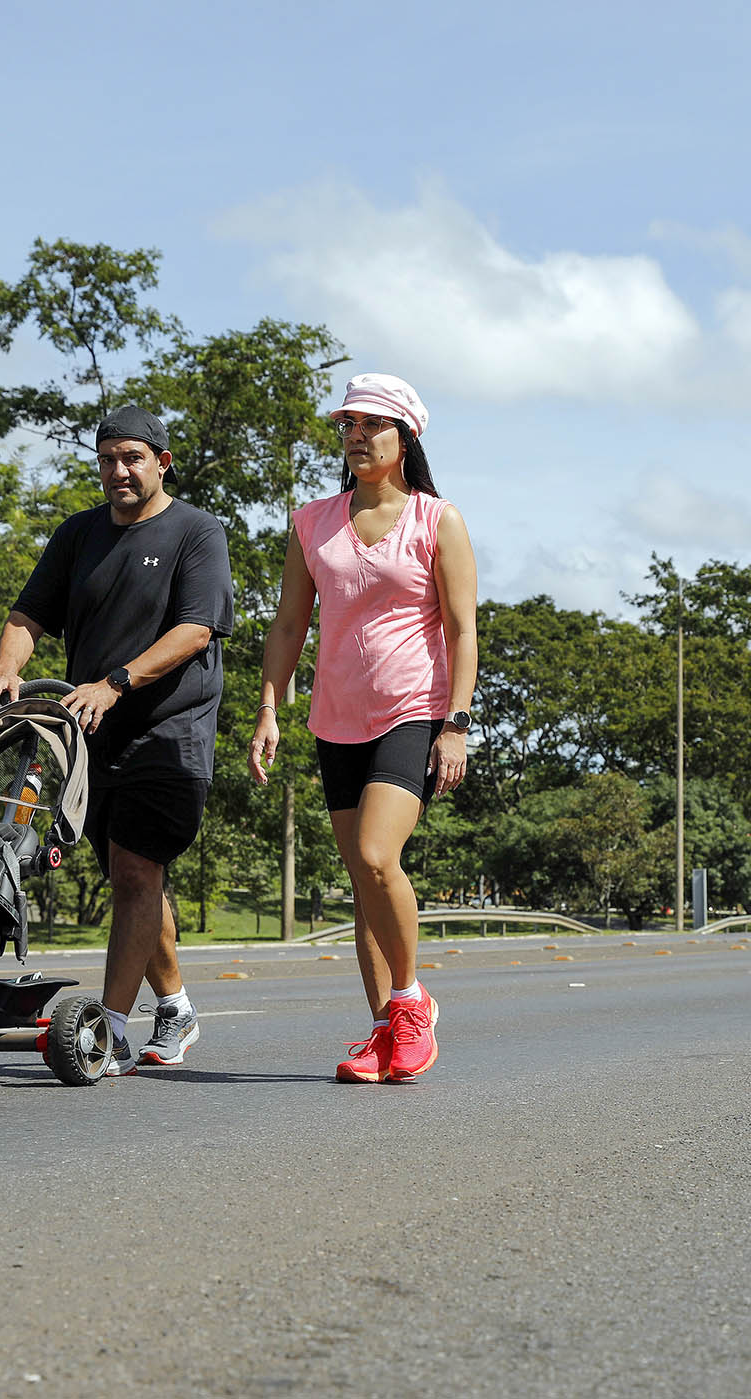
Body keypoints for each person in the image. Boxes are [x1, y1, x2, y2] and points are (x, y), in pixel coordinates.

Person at [0, 406, 235, 1074]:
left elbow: (196, 629)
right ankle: (174, 1004)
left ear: (161, 461)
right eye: (107, 459)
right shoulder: (77, 534)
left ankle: (111, 1029)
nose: (118, 471)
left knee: (134, 869)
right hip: (86, 735)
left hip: (168, 730)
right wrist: (8, 669)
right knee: (132, 880)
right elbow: (28, 613)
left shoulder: (196, 532)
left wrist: (116, 682)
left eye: (132, 458)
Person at [248, 373, 477, 1084]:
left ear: (404, 436)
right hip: (335, 717)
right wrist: (268, 706)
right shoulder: (312, 520)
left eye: (370, 424)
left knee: (378, 855)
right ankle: (383, 1029)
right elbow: (290, 622)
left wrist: (456, 725)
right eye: (346, 423)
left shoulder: (437, 520)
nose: (354, 435)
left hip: (412, 708)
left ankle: (411, 1000)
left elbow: (464, 629)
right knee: (361, 879)